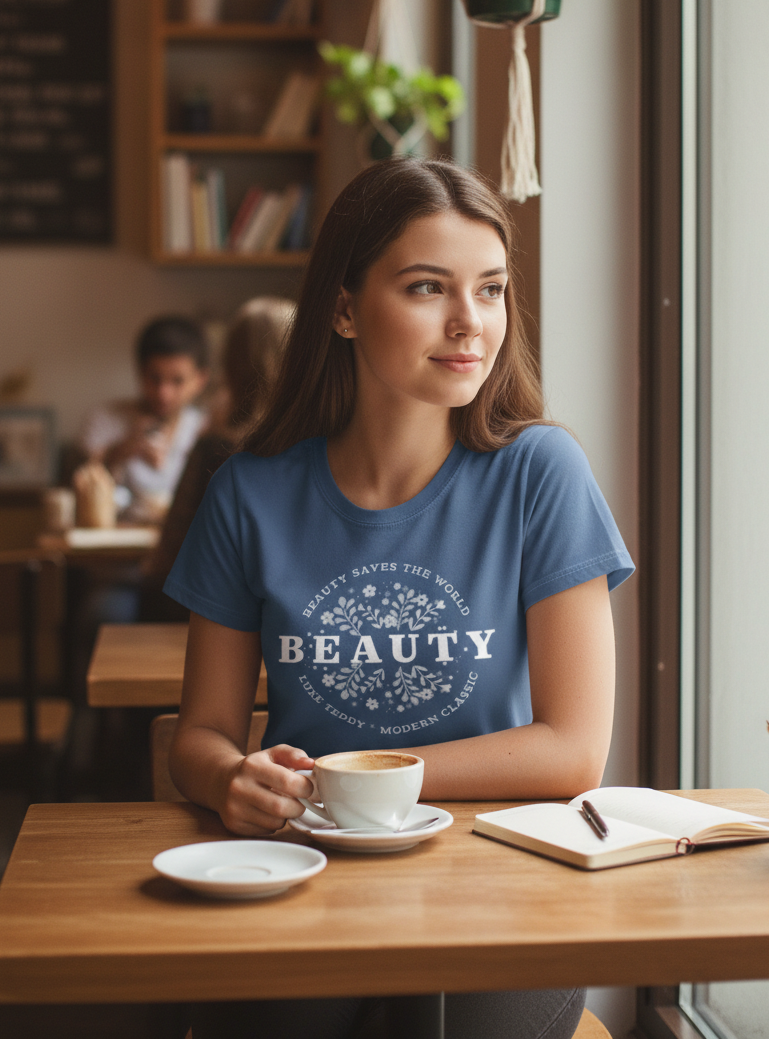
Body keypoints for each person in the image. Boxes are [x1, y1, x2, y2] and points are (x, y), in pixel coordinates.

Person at [163, 157, 635, 1039]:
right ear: (343, 308)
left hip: (504, 868)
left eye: (491, 290)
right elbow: (201, 734)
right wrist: (232, 779)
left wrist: (344, 784)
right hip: (299, 865)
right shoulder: (250, 494)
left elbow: (573, 753)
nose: (471, 323)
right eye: (429, 288)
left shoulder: (542, 473)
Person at [141, 297, 295, 620]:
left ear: (231, 367)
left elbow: (171, 554)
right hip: (292, 621)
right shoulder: (320, 448)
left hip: (211, 621)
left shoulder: (216, 449)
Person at [79, 316, 209, 522]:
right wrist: (121, 450)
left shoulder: (206, 429)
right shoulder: (103, 419)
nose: (163, 393)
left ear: (200, 380)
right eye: (155, 378)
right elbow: (79, 485)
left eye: (177, 381)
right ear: (140, 372)